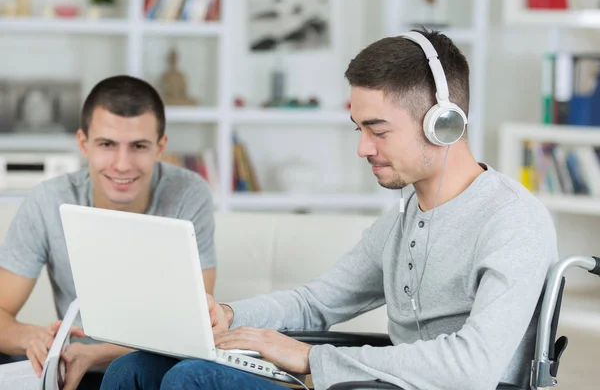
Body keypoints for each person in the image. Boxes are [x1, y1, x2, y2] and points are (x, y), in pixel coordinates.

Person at [100, 30, 558, 390]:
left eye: (378, 130)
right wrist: (229, 314)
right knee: (136, 370)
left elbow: (471, 368)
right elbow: (316, 303)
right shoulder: (402, 219)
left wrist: (309, 358)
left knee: (191, 380)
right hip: (369, 383)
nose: (362, 148)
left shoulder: (513, 221)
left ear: (444, 124)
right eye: (359, 128)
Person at [0, 75, 217, 390]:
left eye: (139, 146)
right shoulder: (48, 200)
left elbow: (195, 326)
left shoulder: (188, 193)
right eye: (106, 144)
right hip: (70, 362)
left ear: (160, 147)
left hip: (149, 364)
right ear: (84, 144)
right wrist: (32, 338)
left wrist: (94, 355)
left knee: (168, 370)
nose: (122, 164)